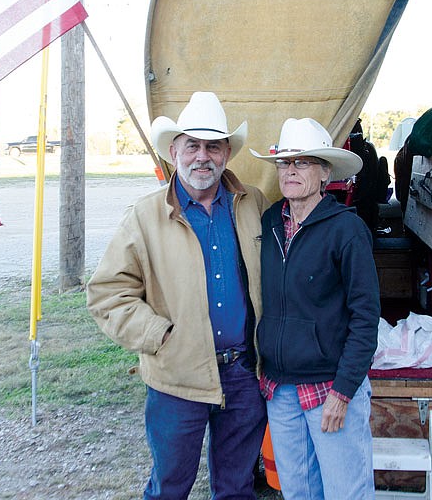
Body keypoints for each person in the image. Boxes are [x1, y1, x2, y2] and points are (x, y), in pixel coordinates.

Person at [87, 92, 269, 500]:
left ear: (226, 154)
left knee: (237, 488)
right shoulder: (145, 215)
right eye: (193, 145)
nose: (202, 157)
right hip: (177, 379)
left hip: (243, 374)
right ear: (174, 152)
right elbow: (107, 293)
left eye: (213, 146)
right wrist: (159, 336)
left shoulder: (252, 203)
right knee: (170, 486)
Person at [250, 118, 381, 499]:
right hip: (280, 386)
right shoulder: (271, 221)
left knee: (345, 491)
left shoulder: (347, 230)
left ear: (325, 173)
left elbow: (365, 317)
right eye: (285, 162)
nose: (290, 171)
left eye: (303, 162)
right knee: (297, 491)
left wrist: (343, 392)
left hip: (329, 387)